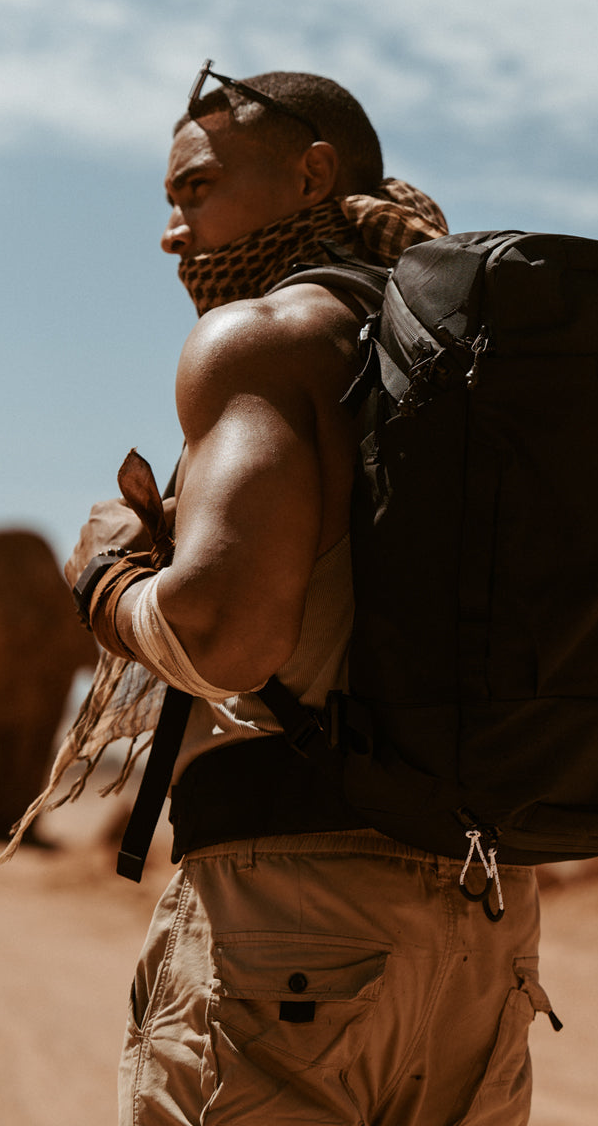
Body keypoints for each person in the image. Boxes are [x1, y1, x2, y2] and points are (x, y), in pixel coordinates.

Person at [64, 64, 553, 1125]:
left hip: (291, 929)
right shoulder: (482, 367)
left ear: (312, 173)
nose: (170, 229)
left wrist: (106, 580)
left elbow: (227, 637)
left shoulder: (267, 337)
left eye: (192, 188)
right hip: (486, 930)